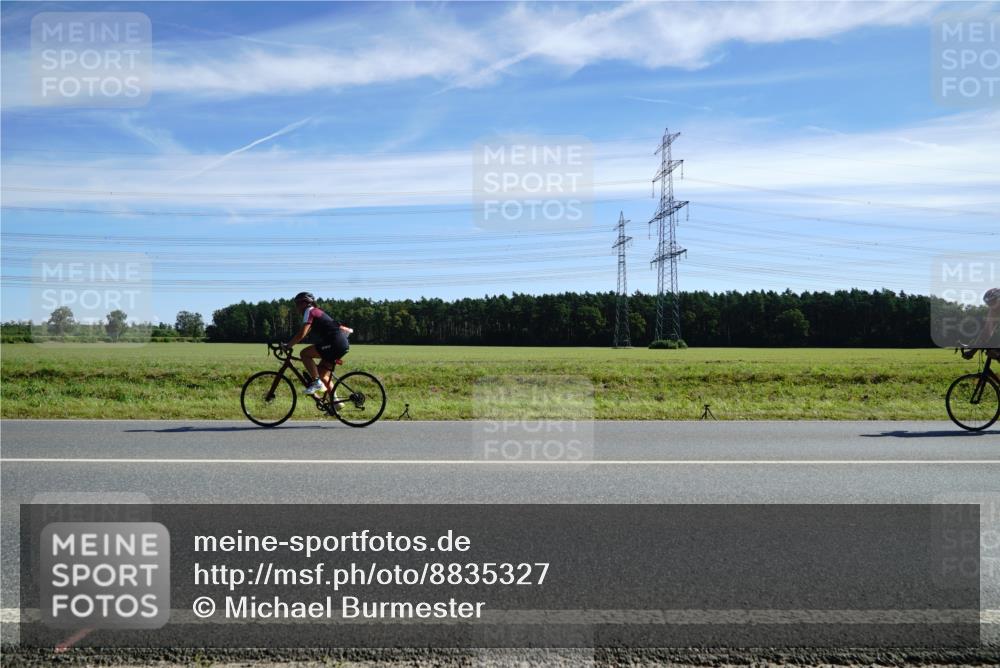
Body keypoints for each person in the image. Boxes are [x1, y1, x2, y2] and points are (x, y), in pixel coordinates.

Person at [287, 292, 351, 396]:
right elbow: (306, 331)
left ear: (305, 303)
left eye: (298, 304)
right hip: (340, 343)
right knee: (322, 375)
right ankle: (336, 404)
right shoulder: (315, 312)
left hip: (334, 343)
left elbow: (302, 333)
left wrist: (288, 345)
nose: (296, 307)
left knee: (304, 354)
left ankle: (316, 383)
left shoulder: (309, 311)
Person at [962, 287, 1000, 359]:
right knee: (993, 352)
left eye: (993, 303)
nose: (991, 307)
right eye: (989, 304)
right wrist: (972, 351)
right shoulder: (993, 311)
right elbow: (986, 332)